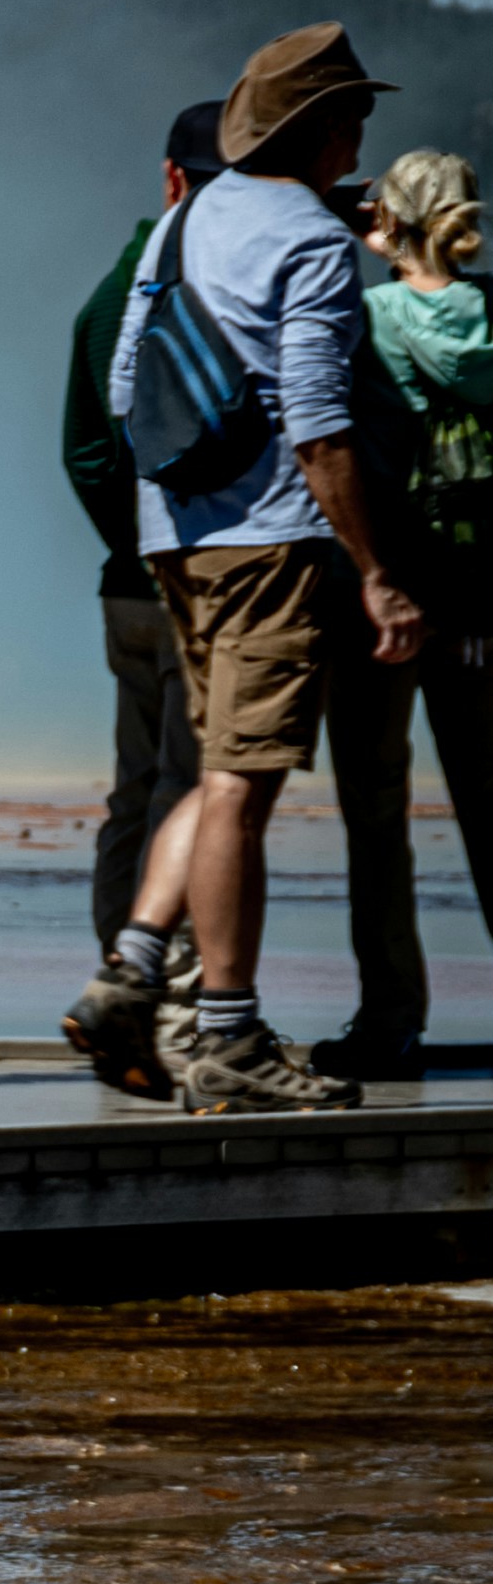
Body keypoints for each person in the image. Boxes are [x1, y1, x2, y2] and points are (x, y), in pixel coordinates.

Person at [81, 18, 421, 1115]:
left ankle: (131, 976)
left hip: (174, 534)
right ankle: (229, 1035)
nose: (360, 136)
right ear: (316, 128)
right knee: (242, 785)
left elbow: (130, 392)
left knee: (215, 769)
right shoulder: (314, 244)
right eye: (353, 117)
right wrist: (374, 569)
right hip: (271, 538)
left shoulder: (182, 222)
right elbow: (322, 428)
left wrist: (180, 502)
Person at [317, 145, 493, 1067]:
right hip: (481, 600)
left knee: (378, 816)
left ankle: (390, 1019)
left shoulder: (365, 317)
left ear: (391, 221)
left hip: (381, 595)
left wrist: (357, 239)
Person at [63, 101, 223, 992]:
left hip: (125, 583)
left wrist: (124, 543)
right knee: (192, 782)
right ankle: (167, 983)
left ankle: (112, 961)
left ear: (168, 179)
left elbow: (85, 452)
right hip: (190, 572)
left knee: (134, 787)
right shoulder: (209, 285)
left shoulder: (103, 299)